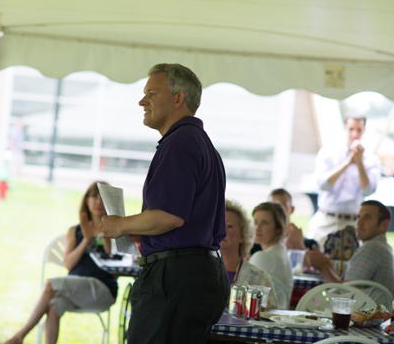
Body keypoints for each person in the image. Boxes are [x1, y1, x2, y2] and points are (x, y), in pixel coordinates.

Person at [101, 63, 228, 344]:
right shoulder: (198, 142)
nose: (142, 101)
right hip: (195, 273)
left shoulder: (180, 143)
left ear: (178, 98)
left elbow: (170, 217)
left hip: (176, 278)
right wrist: (138, 228)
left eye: (152, 93)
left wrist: (120, 224)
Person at [2, 182, 117, 344]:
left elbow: (113, 263)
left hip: (102, 290)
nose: (99, 201)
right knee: (54, 306)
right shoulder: (74, 231)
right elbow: (68, 265)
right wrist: (86, 239)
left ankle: (19, 336)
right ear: (87, 201)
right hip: (75, 289)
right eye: (94, 196)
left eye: (103, 197)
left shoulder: (116, 229)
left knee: (50, 284)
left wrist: (105, 227)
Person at [303, 200, 394, 305]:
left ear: (384, 225)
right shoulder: (382, 247)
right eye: (358, 217)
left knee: (309, 302)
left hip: (368, 316)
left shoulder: (372, 248)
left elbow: (346, 294)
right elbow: (349, 288)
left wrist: (324, 267)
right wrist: (327, 266)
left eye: (367, 217)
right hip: (373, 313)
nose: (359, 222)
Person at [307, 115, 380, 247]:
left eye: (359, 130)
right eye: (351, 129)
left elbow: (368, 190)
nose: (355, 134)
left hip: (353, 223)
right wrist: (347, 163)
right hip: (327, 220)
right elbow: (323, 184)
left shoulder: (371, 159)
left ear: (364, 131)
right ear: (344, 129)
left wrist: (359, 164)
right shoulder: (328, 152)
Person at [222, 200, 277, 309]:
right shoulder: (199, 271)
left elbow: (269, 316)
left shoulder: (259, 278)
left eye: (229, 226)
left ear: (243, 235)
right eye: (216, 225)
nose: (221, 231)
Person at [249, 202, 293, 309]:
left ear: (278, 228)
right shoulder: (281, 251)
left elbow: (244, 296)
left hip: (265, 320)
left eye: (265, 223)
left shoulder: (263, 257)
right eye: (255, 222)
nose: (257, 228)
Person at [250, 188, 319, 255]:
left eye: (280, 208)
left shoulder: (310, 245)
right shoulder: (255, 244)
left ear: (292, 209)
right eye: (269, 207)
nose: (274, 212)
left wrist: (300, 247)